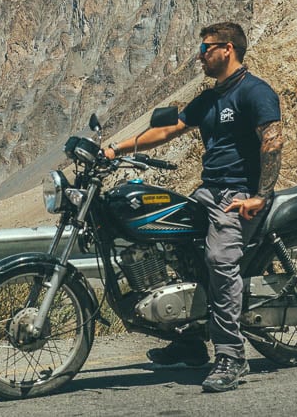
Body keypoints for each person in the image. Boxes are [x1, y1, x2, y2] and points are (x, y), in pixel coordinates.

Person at [104, 22, 284, 393]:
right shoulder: (209, 99)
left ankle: (232, 355)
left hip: (238, 196)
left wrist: (260, 195)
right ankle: (189, 340)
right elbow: (168, 130)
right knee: (172, 247)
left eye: (206, 48)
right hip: (208, 192)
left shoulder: (255, 92)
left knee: (219, 260)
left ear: (228, 49)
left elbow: (272, 140)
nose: (200, 55)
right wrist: (114, 149)